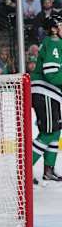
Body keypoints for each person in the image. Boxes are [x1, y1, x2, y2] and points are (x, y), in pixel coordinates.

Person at [30, 14, 62, 183]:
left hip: (50, 93)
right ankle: (25, 171)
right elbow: (51, 73)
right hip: (46, 92)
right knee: (49, 132)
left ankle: (48, 171)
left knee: (55, 131)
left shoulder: (56, 43)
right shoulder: (54, 43)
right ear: (54, 30)